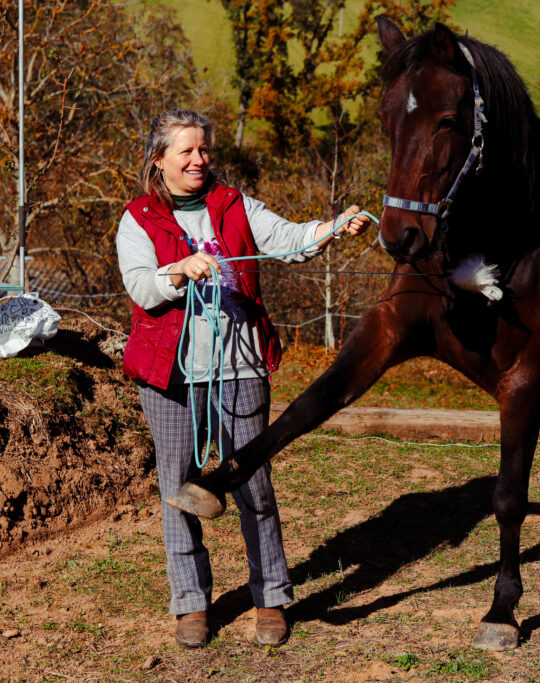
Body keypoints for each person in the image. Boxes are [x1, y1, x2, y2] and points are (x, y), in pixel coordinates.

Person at [115, 109, 370, 649]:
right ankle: (191, 604)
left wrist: (332, 228)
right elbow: (140, 287)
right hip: (170, 373)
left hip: (240, 364)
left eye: (203, 150)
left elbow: (289, 240)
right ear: (158, 160)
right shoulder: (136, 218)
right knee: (177, 486)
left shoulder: (235, 205)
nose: (198, 160)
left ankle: (271, 597)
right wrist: (180, 269)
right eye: (185, 151)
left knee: (254, 485)